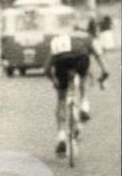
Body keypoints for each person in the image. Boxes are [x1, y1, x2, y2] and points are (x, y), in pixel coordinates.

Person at [43, 22, 110, 156]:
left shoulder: (59, 40)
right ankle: (84, 105)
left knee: (61, 98)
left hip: (61, 61)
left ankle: (61, 135)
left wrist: (54, 81)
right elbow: (98, 57)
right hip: (80, 59)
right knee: (83, 78)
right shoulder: (87, 38)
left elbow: (46, 68)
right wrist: (104, 73)